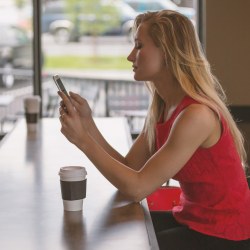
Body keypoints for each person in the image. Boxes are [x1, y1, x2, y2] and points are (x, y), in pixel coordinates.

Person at [58, 10, 250, 250]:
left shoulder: (196, 115)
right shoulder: (165, 106)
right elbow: (131, 169)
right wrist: (88, 125)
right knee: (115, 230)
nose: (131, 56)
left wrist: (83, 141)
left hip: (223, 236)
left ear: (168, 52)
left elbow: (137, 188)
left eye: (139, 46)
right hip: (192, 221)